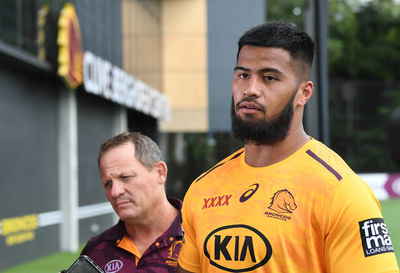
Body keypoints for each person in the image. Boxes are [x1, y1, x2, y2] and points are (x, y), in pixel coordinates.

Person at [177, 22, 399, 273]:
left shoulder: (340, 191)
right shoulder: (202, 188)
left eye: (269, 78)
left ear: (304, 93)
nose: (250, 90)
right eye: (242, 75)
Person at [80, 132, 183, 273]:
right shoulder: (95, 251)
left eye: (125, 177)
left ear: (160, 173)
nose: (115, 192)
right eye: (108, 184)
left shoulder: (202, 236)